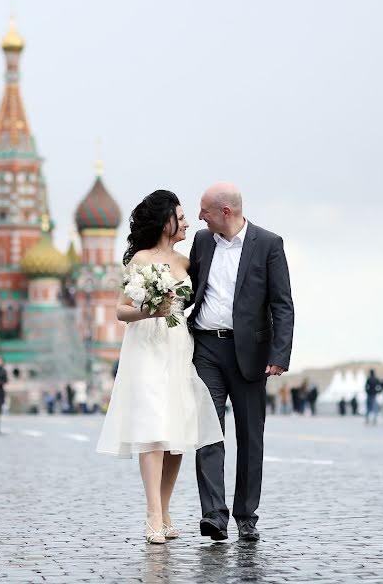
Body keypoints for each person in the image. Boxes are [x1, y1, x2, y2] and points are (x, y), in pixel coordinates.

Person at [96, 191, 225, 544]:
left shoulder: (186, 264)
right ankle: (153, 512)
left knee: (176, 435)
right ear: (165, 220)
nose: (186, 223)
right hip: (146, 349)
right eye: (180, 217)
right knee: (152, 429)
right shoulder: (139, 260)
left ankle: (166, 508)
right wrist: (150, 310)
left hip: (179, 348)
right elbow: (121, 310)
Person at [188, 183, 294, 543]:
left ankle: (246, 516)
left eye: (204, 210)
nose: (199, 217)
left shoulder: (268, 244)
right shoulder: (203, 242)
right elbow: (189, 287)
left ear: (226, 212)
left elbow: (282, 305)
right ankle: (214, 515)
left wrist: (279, 355)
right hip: (206, 349)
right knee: (208, 431)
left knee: (250, 437)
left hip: (250, 355)